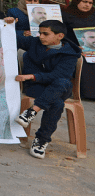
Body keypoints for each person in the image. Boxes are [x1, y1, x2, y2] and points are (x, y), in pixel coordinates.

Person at [13, 20, 81, 159]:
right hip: (36, 87)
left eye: (45, 34)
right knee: (57, 103)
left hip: (59, 87)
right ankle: (42, 140)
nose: (41, 36)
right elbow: (11, 37)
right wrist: (8, 24)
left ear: (60, 36)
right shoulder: (34, 42)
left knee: (62, 82)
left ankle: (32, 111)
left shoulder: (70, 53)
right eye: (40, 33)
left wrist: (33, 76)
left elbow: (58, 75)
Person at [60, 0, 95, 99]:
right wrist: (74, 46)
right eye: (84, 1)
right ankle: (88, 94)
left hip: (92, 47)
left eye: (90, 3)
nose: (87, 5)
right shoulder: (66, 15)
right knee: (84, 60)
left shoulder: (93, 14)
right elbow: (61, 34)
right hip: (72, 46)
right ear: (77, 1)